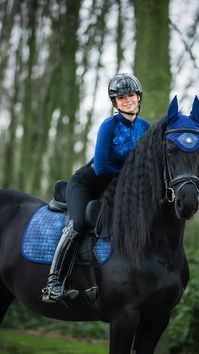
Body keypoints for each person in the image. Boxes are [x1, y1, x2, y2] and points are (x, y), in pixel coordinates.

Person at [42, 73, 151, 303]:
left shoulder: (145, 127)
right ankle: (53, 284)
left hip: (115, 188)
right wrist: (133, 176)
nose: (127, 100)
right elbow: (101, 167)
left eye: (131, 95)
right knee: (77, 224)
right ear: (115, 103)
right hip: (87, 184)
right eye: (121, 98)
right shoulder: (109, 126)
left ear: (138, 97)